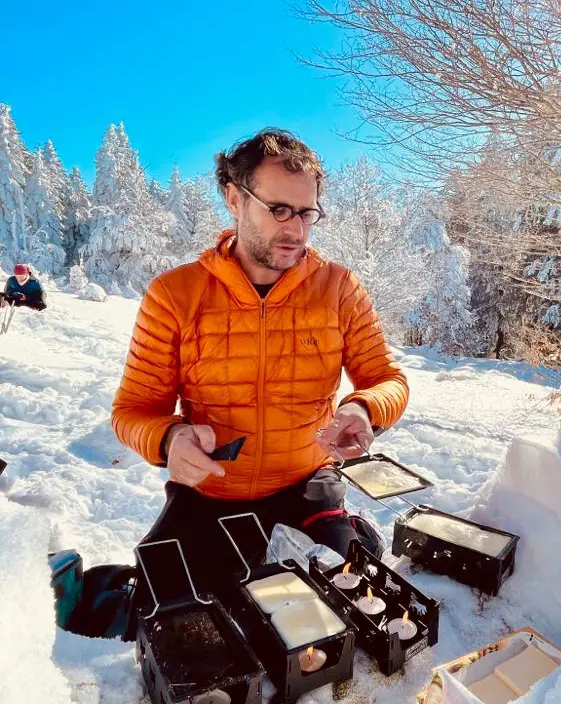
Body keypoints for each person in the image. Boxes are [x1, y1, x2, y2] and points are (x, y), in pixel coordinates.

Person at [112, 128, 409, 625]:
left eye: (306, 212)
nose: (295, 229)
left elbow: (387, 379)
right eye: (279, 210)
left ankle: (349, 529)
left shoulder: (339, 288)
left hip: (307, 483)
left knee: (344, 612)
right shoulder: (174, 295)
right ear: (235, 198)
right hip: (211, 494)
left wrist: (363, 408)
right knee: (173, 616)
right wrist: (169, 440)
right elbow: (132, 412)